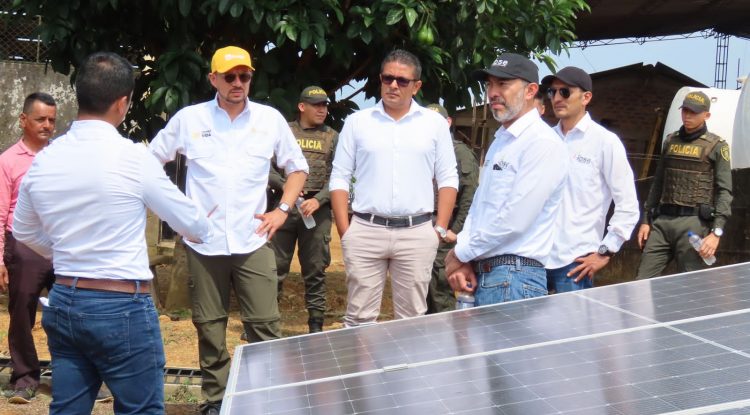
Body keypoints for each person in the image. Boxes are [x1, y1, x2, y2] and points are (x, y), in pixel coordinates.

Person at [12, 52, 211, 415]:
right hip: (121, 307)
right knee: (141, 409)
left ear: (79, 95)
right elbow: (193, 226)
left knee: (68, 408)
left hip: (65, 299)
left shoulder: (45, 160)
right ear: (123, 103)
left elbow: (22, 229)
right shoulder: (134, 159)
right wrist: (204, 221)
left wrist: (66, 254)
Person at [149, 45, 308, 415]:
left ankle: (265, 398)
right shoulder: (189, 120)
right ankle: (216, 401)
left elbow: (297, 169)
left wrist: (282, 210)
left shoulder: (269, 120)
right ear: (213, 79)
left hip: (253, 239)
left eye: (245, 76)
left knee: (265, 325)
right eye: (230, 76)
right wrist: (179, 215)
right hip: (203, 243)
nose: (238, 83)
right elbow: (150, 162)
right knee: (209, 326)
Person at [329, 49, 458, 327]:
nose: (393, 85)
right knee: (359, 319)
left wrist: (439, 228)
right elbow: (339, 176)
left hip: (417, 232)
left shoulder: (434, 124)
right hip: (366, 230)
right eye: (388, 78)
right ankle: (362, 372)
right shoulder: (357, 123)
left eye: (402, 80)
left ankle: (406, 373)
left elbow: (448, 178)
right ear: (380, 79)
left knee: (411, 320)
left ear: (417, 86)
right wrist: (345, 231)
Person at [444, 53, 567, 305]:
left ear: (531, 90)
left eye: (503, 84)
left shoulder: (541, 142)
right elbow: (480, 209)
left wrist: (461, 252)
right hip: (491, 274)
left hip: (514, 277)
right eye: (490, 84)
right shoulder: (503, 140)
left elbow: (515, 219)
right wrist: (466, 258)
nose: (492, 92)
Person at [541, 67, 639, 292]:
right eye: (552, 92)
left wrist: (606, 251)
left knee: (571, 327)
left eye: (565, 92)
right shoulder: (544, 140)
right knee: (526, 327)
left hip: (576, 261)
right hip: (536, 256)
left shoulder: (605, 142)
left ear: (586, 97)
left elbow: (627, 204)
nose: (556, 98)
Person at [636, 91, 732, 278]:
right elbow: (658, 183)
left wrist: (716, 232)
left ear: (706, 115)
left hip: (693, 225)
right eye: (685, 111)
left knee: (690, 286)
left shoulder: (717, 146)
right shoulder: (670, 141)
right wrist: (646, 220)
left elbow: (725, 191)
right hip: (662, 222)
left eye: (693, 112)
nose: (687, 116)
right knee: (640, 282)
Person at [0, 92, 56, 404]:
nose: (48, 125)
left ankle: (73, 376)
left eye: (52, 120)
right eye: (40, 119)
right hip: (22, 248)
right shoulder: (7, 162)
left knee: (68, 313)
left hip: (61, 246)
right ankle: (24, 378)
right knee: (21, 314)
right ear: (24, 121)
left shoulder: (62, 156)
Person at [270, 86, 337, 333]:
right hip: (283, 208)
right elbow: (266, 168)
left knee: (316, 268)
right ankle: (267, 320)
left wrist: (319, 199)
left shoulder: (332, 136)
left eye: (325, 105)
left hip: (316, 212)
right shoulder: (283, 132)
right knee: (273, 267)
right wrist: (286, 185)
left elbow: (339, 175)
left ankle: (316, 323)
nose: (323, 109)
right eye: (317, 105)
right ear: (302, 107)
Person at [424, 103, 478, 313]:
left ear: (448, 123)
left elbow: (469, 195)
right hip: (423, 230)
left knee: (439, 292)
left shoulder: (459, 152)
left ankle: (444, 340)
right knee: (423, 291)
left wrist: (455, 231)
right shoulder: (422, 151)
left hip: (445, 232)